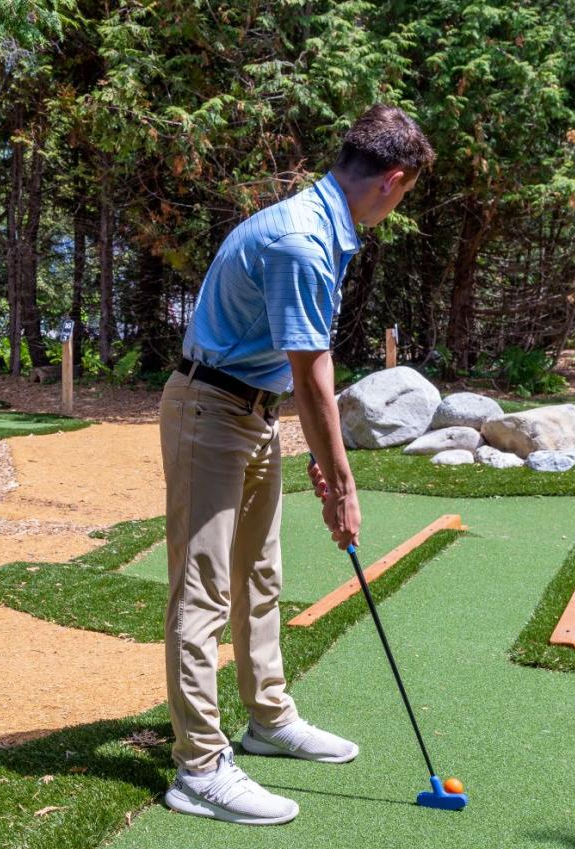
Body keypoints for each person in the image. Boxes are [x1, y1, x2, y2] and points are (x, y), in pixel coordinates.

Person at [157, 104, 434, 825]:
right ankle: (198, 767)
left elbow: (299, 369)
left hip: (252, 411)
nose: (398, 206)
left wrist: (311, 446)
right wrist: (341, 484)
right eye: (404, 194)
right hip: (210, 413)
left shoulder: (324, 227)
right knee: (204, 589)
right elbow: (315, 375)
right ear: (391, 180)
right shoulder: (303, 241)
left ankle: (268, 718)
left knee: (261, 575)